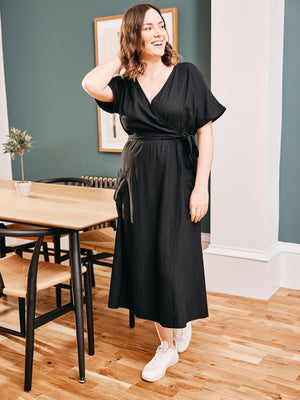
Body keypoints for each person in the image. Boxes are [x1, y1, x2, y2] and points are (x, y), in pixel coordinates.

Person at [82, 3, 226, 382]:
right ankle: (166, 344)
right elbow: (91, 84)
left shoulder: (187, 75)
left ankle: (178, 320)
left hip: (179, 176)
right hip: (139, 180)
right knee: (147, 257)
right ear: (134, 36)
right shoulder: (126, 85)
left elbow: (205, 132)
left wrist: (201, 187)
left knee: (174, 257)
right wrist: (123, 53)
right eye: (148, 28)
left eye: (160, 26)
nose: (159, 33)